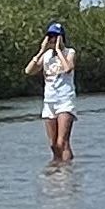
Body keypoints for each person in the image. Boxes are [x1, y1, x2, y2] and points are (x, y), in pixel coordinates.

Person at [28, 19, 79, 165]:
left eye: (56, 36)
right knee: (53, 144)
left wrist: (58, 50)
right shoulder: (46, 56)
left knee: (62, 141)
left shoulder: (69, 52)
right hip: (49, 101)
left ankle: (68, 170)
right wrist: (41, 51)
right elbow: (29, 70)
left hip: (65, 100)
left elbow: (68, 68)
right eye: (50, 36)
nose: (53, 39)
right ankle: (58, 167)